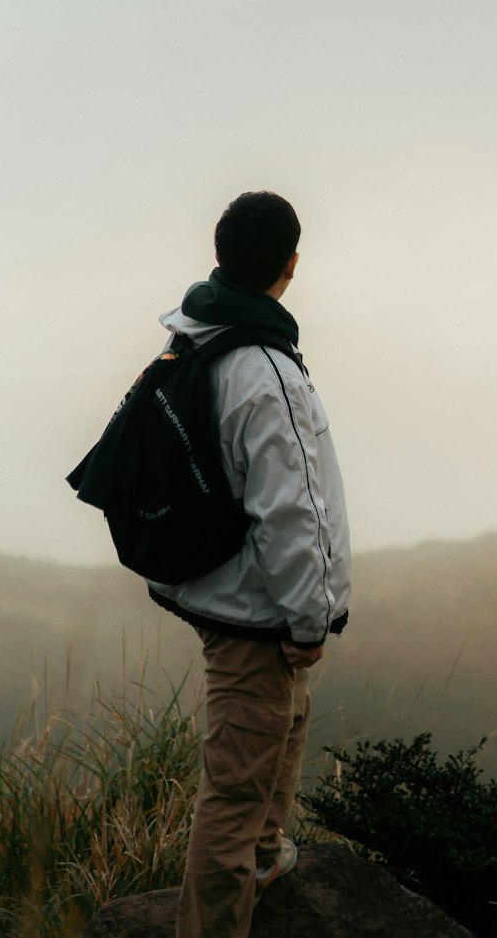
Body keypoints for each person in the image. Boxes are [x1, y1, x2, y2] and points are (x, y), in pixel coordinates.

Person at [148, 190, 351, 938]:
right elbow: (291, 511)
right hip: (255, 609)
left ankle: (266, 855)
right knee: (233, 791)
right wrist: (308, 616)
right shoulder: (265, 369)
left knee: (282, 727)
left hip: (222, 587)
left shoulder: (201, 333)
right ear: (291, 265)